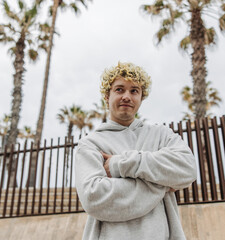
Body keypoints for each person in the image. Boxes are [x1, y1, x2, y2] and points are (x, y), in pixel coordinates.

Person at [75, 62, 197, 240]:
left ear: (141, 97)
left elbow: (188, 169)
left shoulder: (161, 135)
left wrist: (120, 164)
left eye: (134, 91)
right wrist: (162, 183)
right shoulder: (90, 144)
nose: (127, 96)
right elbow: (94, 197)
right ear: (107, 95)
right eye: (119, 89)